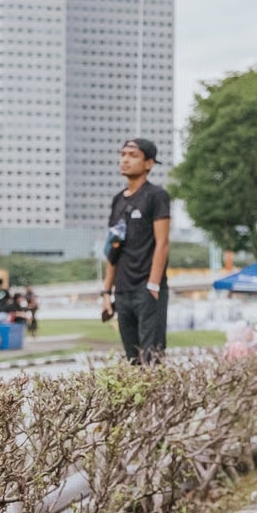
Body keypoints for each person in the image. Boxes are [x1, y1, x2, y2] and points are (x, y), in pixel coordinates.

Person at [102, 138, 171, 364]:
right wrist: (106, 293)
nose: (125, 159)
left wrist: (153, 285)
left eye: (133, 155)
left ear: (149, 163)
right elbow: (113, 248)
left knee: (152, 358)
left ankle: (158, 401)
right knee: (132, 360)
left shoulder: (156, 196)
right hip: (123, 291)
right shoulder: (117, 201)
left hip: (147, 289)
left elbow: (162, 243)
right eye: (123, 154)